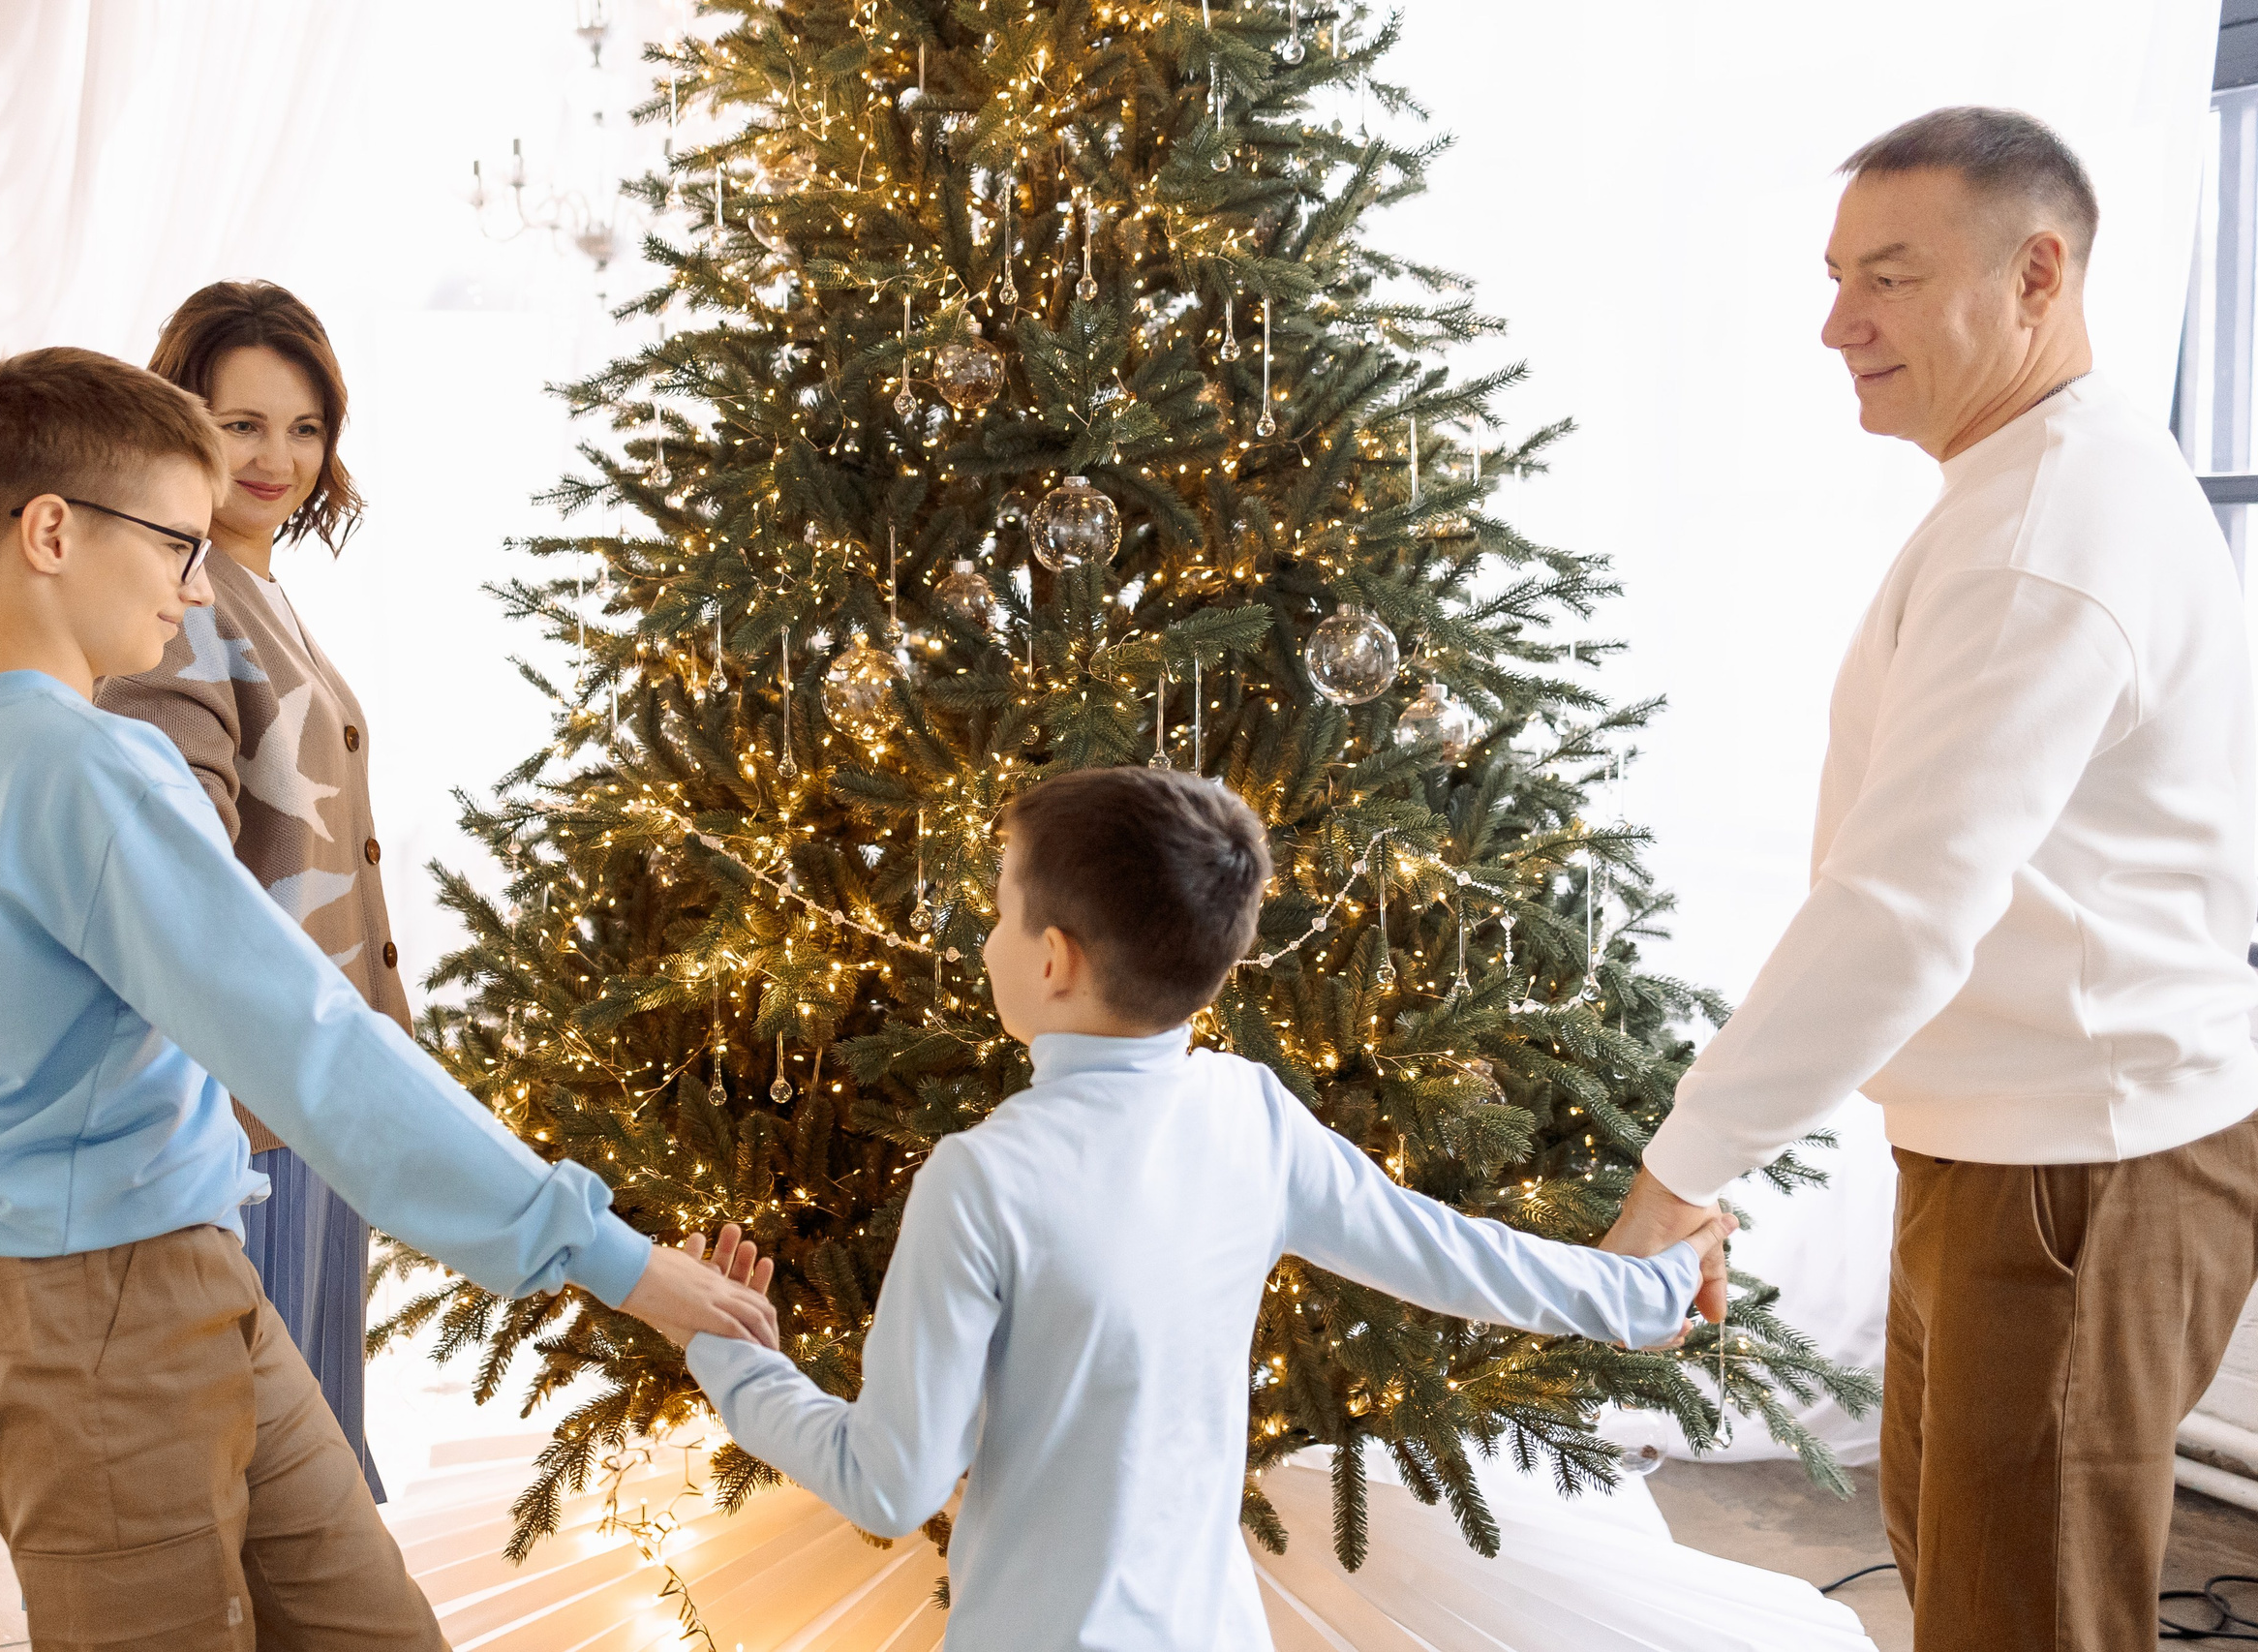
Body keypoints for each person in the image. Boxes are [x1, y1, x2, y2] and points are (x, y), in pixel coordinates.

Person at [0, 346, 777, 1649]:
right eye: (176, 542)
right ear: (50, 532)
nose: (195, 581)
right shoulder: (97, 770)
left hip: (162, 1276)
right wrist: (609, 1255)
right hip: (95, 1313)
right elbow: (314, 1046)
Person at [1598, 107, 2258, 1650]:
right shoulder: (2024, 486)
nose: (1839, 324)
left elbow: (1900, 906)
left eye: (1887, 278)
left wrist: (1683, 1172)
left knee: (2017, 1615)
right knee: (1969, 1581)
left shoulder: (2050, 530)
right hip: (2018, 1143)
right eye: (1836, 279)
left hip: (2078, 1164)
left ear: (2037, 275)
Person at [675, 764, 1735, 1652]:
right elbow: (1456, 1256)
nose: (987, 937)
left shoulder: (982, 1177)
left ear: (1053, 958)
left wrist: (724, 1353)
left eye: (999, 910)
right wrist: (1649, 1287)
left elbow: (891, 1483)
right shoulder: (1247, 1111)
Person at [98, 281, 395, 1497]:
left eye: (305, 427)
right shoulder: (181, 600)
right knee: (268, 1465)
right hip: (252, 1096)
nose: (279, 457)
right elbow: (184, 875)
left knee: (308, 1433)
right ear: (181, 424)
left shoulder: (253, 582)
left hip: (313, 1081)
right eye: (243, 425)